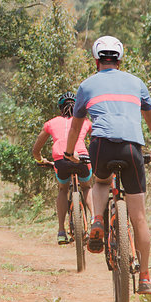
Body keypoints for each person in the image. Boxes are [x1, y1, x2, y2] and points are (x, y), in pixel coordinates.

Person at [65, 35, 151, 295]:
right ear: (119, 59)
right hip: (132, 148)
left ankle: (97, 220)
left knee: (100, 181)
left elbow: (76, 124)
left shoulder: (87, 85)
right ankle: (144, 277)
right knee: (139, 217)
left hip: (101, 147)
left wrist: (69, 152)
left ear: (97, 60)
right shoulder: (137, 83)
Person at [31, 91, 94, 245]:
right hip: (81, 158)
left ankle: (61, 231)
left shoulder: (51, 123)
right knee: (86, 187)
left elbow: (36, 149)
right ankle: (94, 220)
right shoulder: (85, 122)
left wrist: (40, 159)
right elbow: (97, 139)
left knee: (62, 190)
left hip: (60, 160)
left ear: (60, 109)